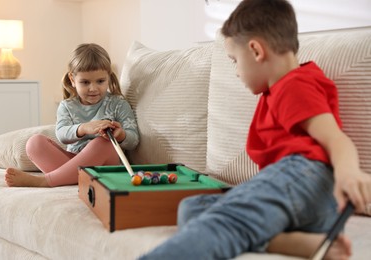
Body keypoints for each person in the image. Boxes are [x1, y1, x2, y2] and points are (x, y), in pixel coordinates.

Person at [138, 0, 371, 259]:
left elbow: (334, 138)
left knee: (224, 222)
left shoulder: (294, 84)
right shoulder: (280, 90)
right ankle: (299, 243)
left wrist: (349, 172)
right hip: (300, 201)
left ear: (256, 50)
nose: (236, 71)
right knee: (191, 208)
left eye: (234, 60)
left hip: (303, 177)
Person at [5, 43, 139, 187]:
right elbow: (62, 134)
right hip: (73, 161)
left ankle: (46, 181)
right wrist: (84, 128)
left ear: (109, 78)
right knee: (34, 143)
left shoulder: (118, 103)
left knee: (103, 143)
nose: (93, 88)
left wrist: (120, 135)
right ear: (72, 80)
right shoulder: (67, 106)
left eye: (100, 81)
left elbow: (134, 140)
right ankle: (71, 177)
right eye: (85, 82)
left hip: (106, 166)